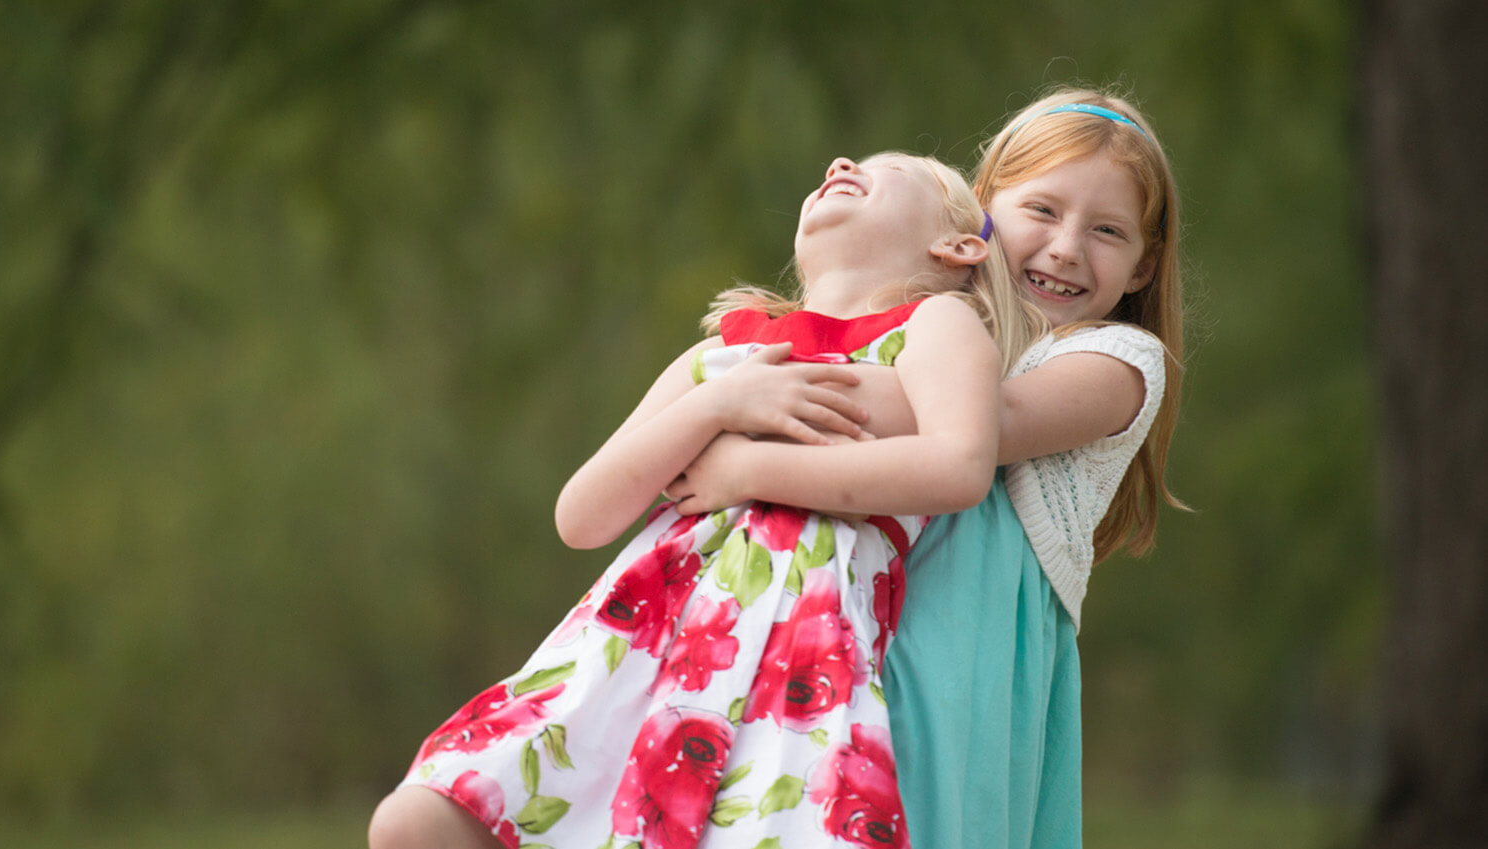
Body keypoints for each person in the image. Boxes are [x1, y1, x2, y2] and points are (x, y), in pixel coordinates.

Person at [367, 152, 1045, 849]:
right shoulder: (724, 353)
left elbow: (960, 465)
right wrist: (719, 401)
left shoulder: (934, 325)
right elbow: (582, 514)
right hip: (640, 648)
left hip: (797, 666)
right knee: (419, 819)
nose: (841, 161)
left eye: (890, 166)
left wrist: (748, 469)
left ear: (958, 244)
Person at [664, 87, 1187, 849]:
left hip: (966, 654)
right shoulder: (919, 322)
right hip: (836, 614)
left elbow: (989, 422)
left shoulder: (1115, 360)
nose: (1067, 247)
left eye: (1107, 231)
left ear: (1143, 267)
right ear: (978, 217)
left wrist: (751, 405)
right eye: (1041, 210)